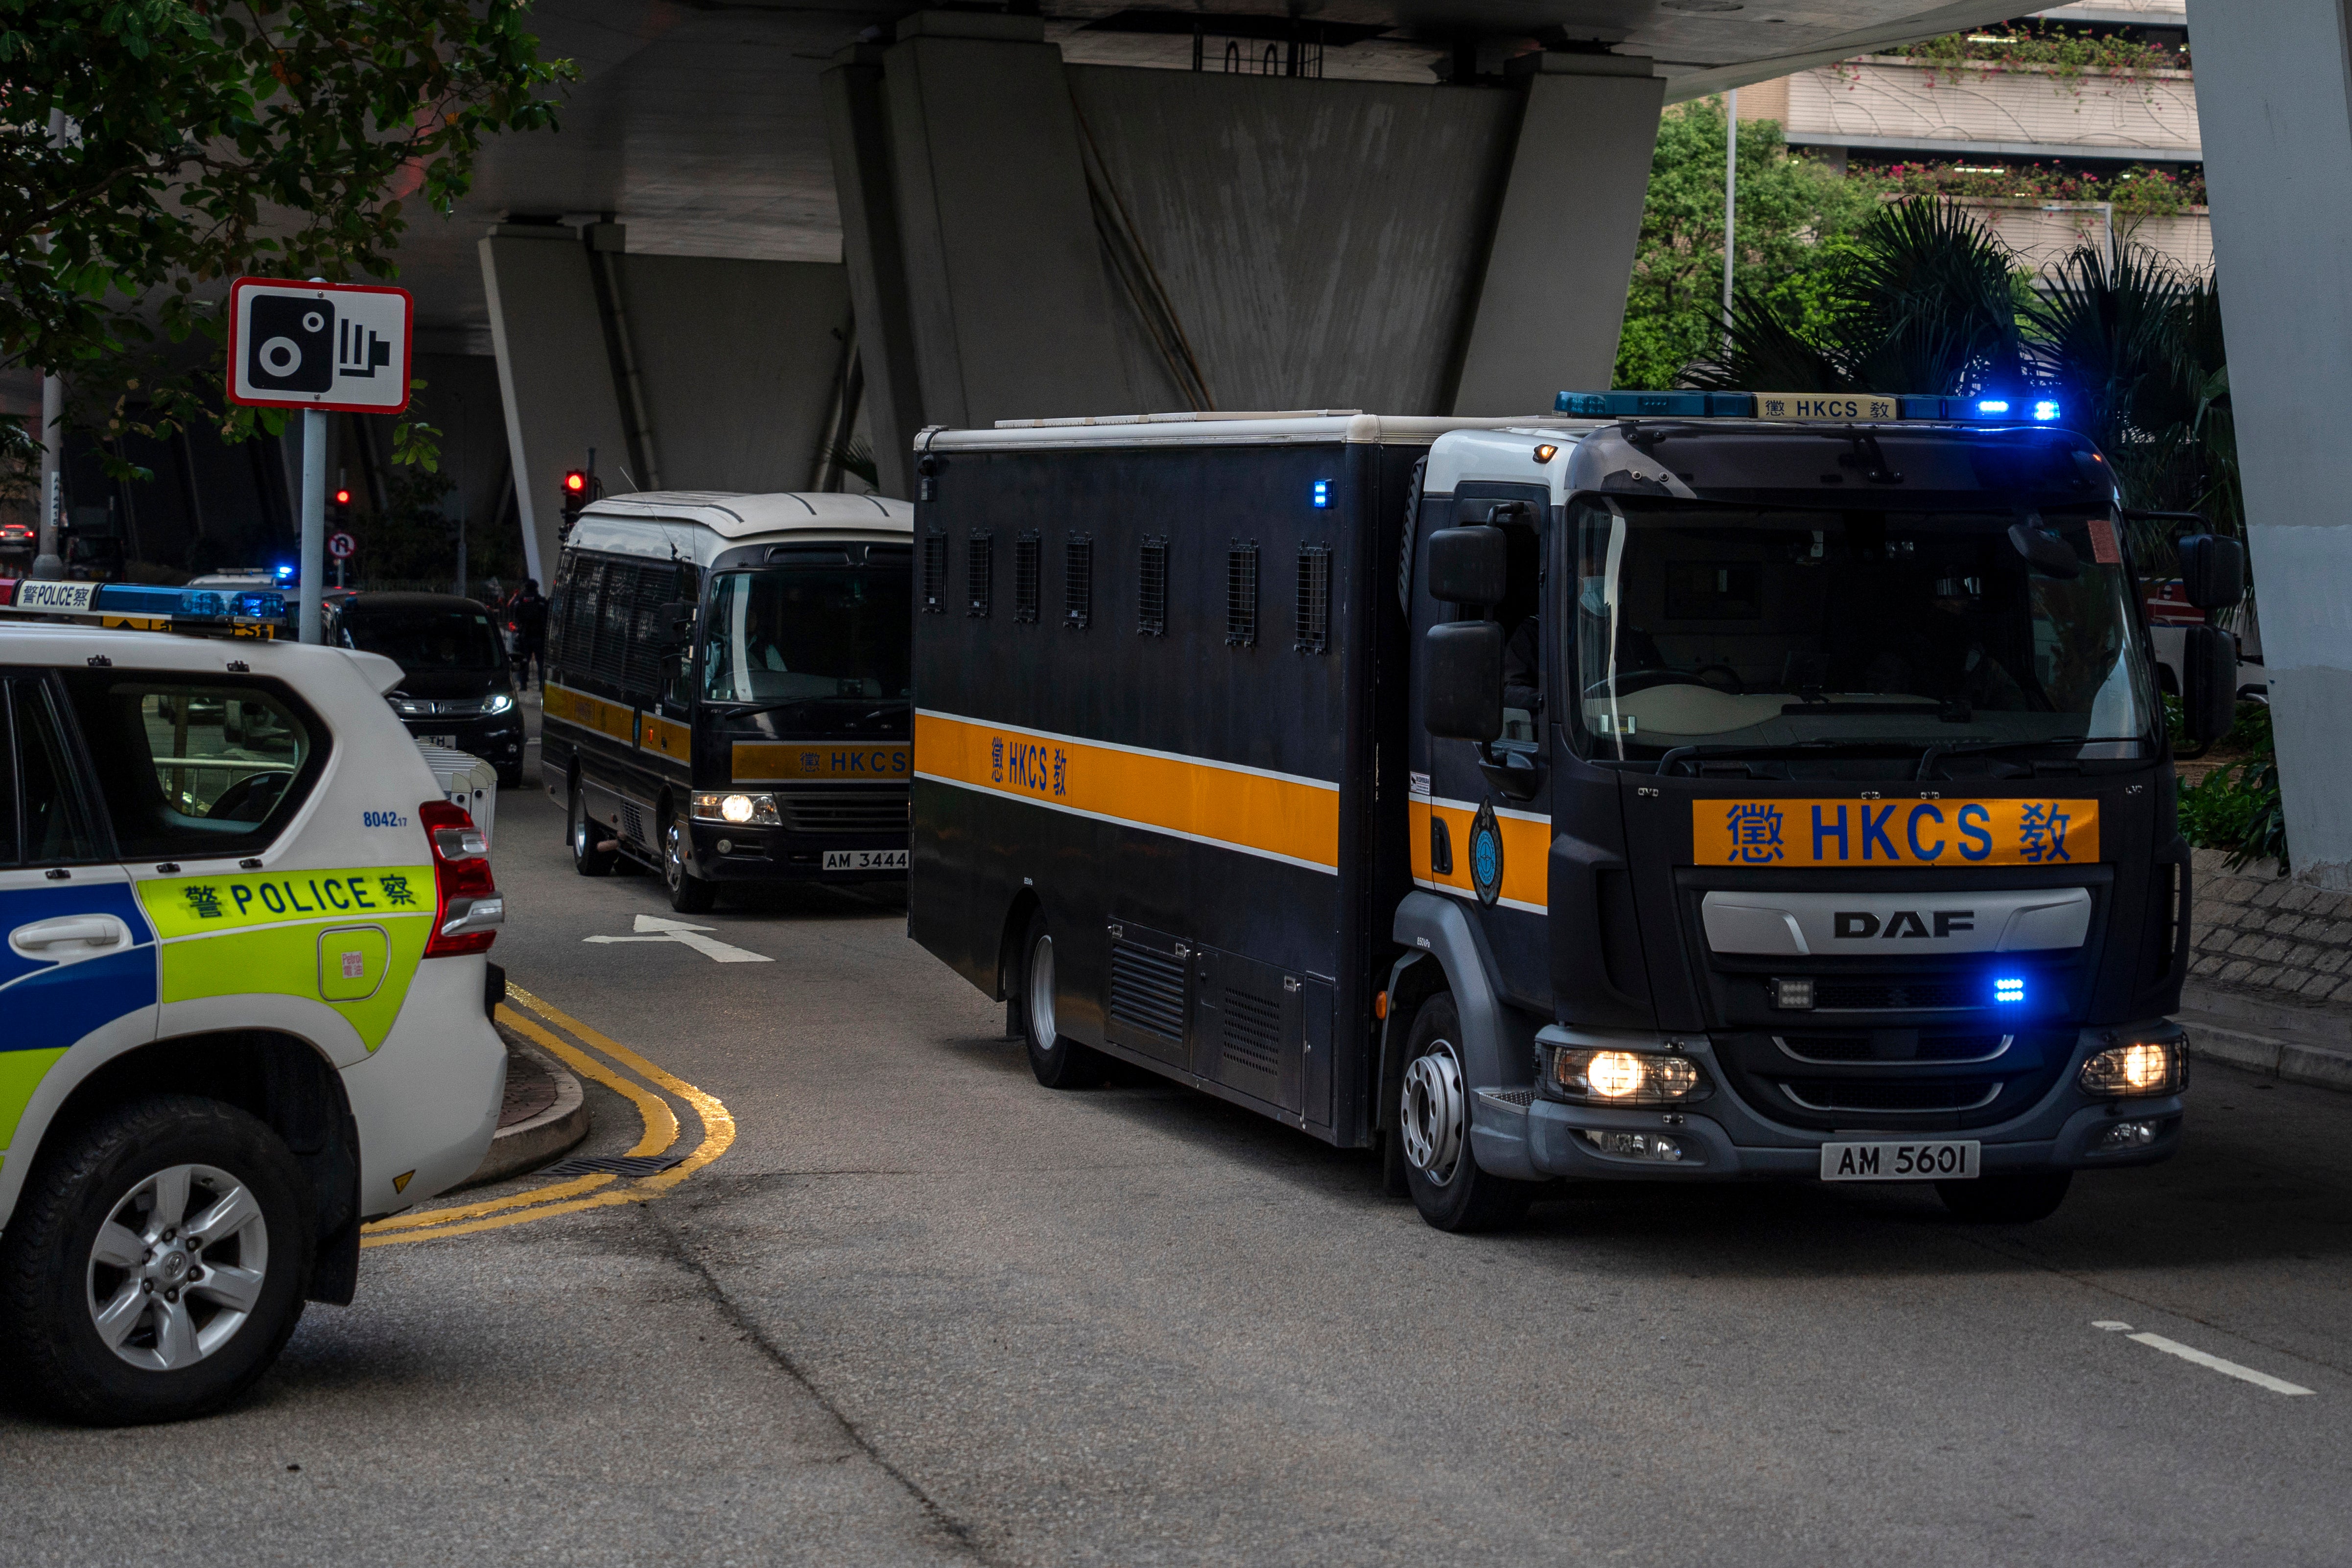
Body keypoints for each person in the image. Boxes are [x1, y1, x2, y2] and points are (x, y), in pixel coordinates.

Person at [510, 579, 548, 689]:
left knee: (524, 661)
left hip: (524, 635)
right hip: (538, 635)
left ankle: (523, 685)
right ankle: (541, 685)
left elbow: (513, 611)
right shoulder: (540, 601)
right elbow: (546, 614)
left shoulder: (520, 600)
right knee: (541, 662)